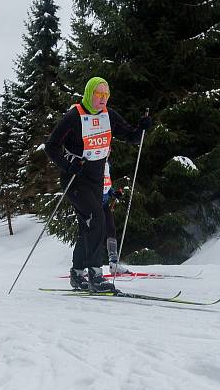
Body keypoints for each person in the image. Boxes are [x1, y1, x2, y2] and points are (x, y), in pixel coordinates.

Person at [45, 77, 151, 292]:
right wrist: (67, 165)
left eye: (106, 95)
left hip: (96, 180)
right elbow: (51, 147)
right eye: (98, 94)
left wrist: (142, 128)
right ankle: (95, 274)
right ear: (89, 93)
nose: (102, 98)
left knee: (88, 225)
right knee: (98, 219)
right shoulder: (73, 116)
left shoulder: (109, 115)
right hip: (75, 179)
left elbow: (131, 136)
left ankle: (77, 274)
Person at [102, 157, 130, 275]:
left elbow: (106, 185)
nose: (107, 151)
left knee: (111, 229)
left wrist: (113, 193)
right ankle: (82, 267)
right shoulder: (93, 160)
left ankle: (113, 263)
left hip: (103, 203)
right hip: (92, 202)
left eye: (109, 149)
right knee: (92, 232)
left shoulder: (107, 163)